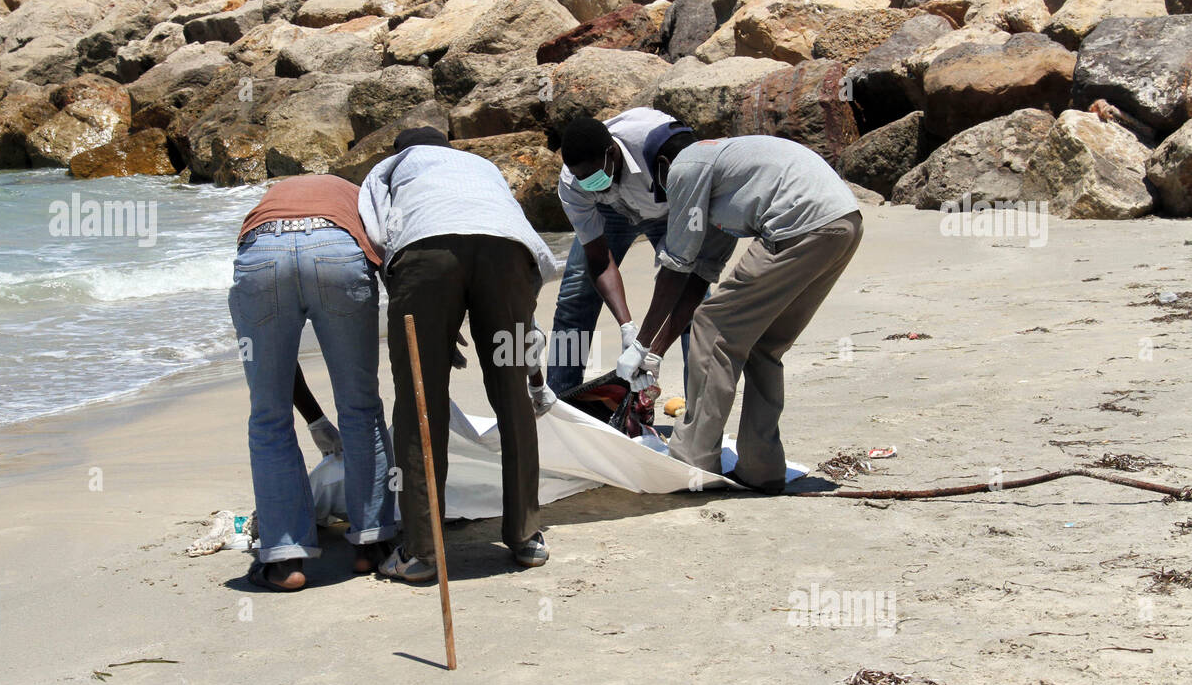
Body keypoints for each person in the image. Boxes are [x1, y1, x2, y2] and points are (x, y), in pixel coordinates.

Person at [359, 126, 558, 583]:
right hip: (508, 254)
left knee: (419, 403)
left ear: (402, 151)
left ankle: (423, 552)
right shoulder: (482, 166)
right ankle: (526, 537)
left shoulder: (392, 167)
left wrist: (430, 311)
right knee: (511, 395)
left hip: (426, 252)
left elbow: (375, 234)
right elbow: (507, 222)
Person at [617, 132, 863, 493]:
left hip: (799, 226)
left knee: (713, 325)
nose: (671, 201)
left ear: (665, 168)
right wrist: (656, 352)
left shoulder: (686, 166)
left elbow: (676, 266)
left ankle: (693, 459)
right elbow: (700, 274)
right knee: (763, 344)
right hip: (844, 224)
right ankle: (761, 469)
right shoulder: (727, 183)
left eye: (665, 191)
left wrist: (639, 345)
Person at [230, 175, 398, 592]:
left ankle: (286, 561)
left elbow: (278, 365)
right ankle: (372, 544)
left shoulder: (271, 200)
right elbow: (389, 251)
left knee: (267, 417)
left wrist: (313, 420)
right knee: (361, 408)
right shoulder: (359, 193)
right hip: (338, 250)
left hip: (262, 253)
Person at [545, 108, 695, 394]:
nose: (587, 182)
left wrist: (648, 347)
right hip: (610, 209)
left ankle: (698, 413)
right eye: (581, 178)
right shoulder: (573, 182)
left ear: (612, 153)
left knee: (692, 300)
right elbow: (599, 259)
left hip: (667, 208)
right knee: (574, 299)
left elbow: (680, 263)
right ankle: (562, 401)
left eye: (592, 175)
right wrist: (627, 327)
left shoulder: (658, 144)